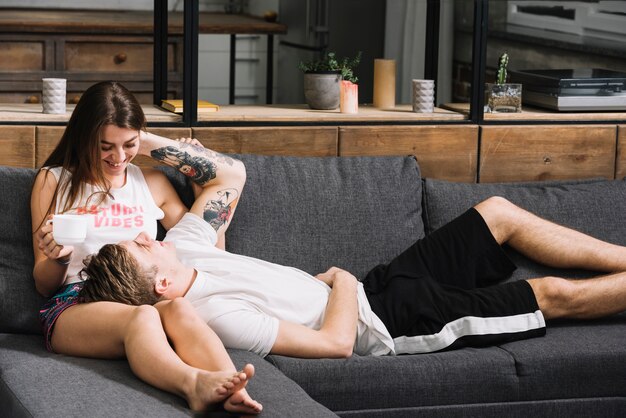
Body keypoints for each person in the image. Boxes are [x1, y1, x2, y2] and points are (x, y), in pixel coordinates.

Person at [78, 137, 626, 359]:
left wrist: (141, 141)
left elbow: (229, 176)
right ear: (164, 286)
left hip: (378, 283)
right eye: (141, 247)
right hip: (392, 321)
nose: (147, 235)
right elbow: (339, 345)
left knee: (498, 214)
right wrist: (340, 279)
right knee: (551, 295)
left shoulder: (186, 250)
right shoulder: (215, 317)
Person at [31, 81, 261, 413]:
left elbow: (206, 252)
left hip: (147, 296)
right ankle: (192, 384)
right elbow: (43, 284)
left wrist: (187, 173)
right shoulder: (54, 181)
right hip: (77, 302)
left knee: (180, 309)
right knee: (141, 318)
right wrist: (59, 257)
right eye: (105, 146)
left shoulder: (151, 182)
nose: (118, 157)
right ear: (84, 140)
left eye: (129, 144)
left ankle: (230, 385)